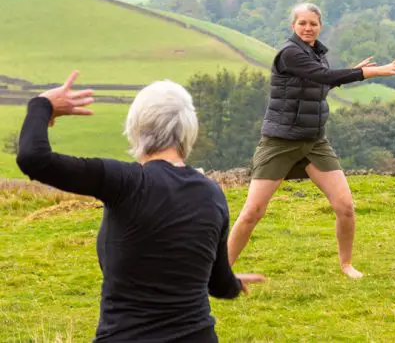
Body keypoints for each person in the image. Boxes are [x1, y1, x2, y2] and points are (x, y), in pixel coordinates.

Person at [16, 71, 264, 342]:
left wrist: (42, 104)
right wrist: (234, 284)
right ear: (188, 131)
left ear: (136, 127)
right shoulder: (212, 193)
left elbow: (33, 158)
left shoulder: (124, 182)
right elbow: (216, 283)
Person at [227, 3, 395, 279]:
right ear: (293, 26)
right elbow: (323, 76)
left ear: (320, 26)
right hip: (280, 142)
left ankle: (346, 265)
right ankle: (221, 271)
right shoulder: (290, 54)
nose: (307, 28)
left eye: (312, 23)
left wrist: (349, 73)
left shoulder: (315, 54)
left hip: (314, 142)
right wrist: (369, 72)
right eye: (302, 23)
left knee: (345, 206)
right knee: (253, 211)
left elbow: (320, 84)